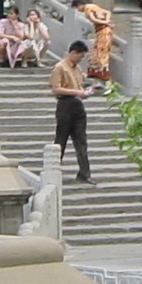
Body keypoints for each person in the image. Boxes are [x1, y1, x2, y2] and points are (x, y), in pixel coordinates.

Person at [49, 40, 95, 185]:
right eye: (80, 56)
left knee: (81, 140)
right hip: (65, 104)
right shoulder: (60, 67)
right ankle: (52, 171)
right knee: (61, 139)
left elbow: (81, 82)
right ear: (73, 53)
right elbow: (56, 89)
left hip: (77, 104)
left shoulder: (77, 68)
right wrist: (77, 92)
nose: (81, 59)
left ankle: (84, 173)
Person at [73, 0, 115, 81]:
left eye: (77, 7)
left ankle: (102, 76)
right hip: (105, 31)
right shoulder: (94, 6)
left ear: (80, 5)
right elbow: (107, 12)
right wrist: (107, 21)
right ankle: (100, 77)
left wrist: (105, 22)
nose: (78, 9)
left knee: (99, 54)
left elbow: (93, 19)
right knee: (101, 52)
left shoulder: (87, 9)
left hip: (102, 32)